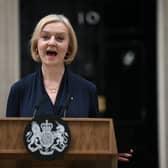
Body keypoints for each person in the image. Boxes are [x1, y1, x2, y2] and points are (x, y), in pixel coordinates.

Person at [6, 14, 133, 162]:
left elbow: (94, 141)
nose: (52, 43)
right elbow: (9, 143)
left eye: (60, 38)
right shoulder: (19, 90)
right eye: (45, 37)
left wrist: (106, 155)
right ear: (36, 45)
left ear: (69, 47)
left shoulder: (87, 90)